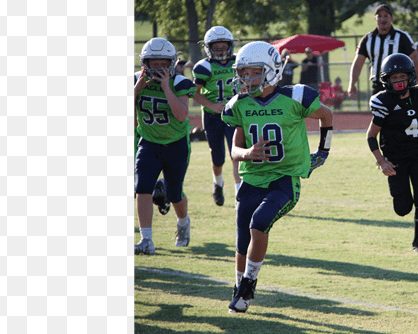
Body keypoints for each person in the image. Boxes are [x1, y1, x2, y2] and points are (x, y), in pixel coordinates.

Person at [222, 41, 334, 313]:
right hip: (252, 179)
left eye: (253, 73)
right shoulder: (240, 104)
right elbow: (234, 151)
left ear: (271, 71)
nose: (246, 79)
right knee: (241, 239)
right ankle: (240, 291)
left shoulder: (295, 97)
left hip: (284, 178)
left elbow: (326, 115)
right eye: (243, 73)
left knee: (259, 223)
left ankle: (249, 283)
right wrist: (247, 152)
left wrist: (323, 151)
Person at [366, 53, 418, 253]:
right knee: (402, 208)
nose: (399, 81)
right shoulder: (384, 102)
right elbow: (371, 136)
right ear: (387, 81)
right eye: (394, 78)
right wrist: (381, 161)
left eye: (402, 77)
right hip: (396, 160)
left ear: (410, 76)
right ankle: (416, 233)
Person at [133, 37, 196, 255]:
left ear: (171, 63)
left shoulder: (180, 83)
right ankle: (146, 239)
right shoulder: (135, 81)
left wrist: (166, 87)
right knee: (142, 187)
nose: (159, 68)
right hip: (149, 142)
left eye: (163, 64)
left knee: (174, 192)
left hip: (176, 144)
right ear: (145, 63)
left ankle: (182, 222)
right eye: (154, 64)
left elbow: (181, 115)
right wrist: (136, 89)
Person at [192, 26, 242, 207]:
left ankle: (239, 196)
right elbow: (193, 93)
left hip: (234, 115)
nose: (221, 51)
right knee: (218, 156)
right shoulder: (204, 67)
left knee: (236, 154)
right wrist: (211, 105)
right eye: (217, 48)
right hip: (213, 116)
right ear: (209, 48)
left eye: (224, 47)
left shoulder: (239, 62)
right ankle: (218, 182)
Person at [347, 4, 418, 99]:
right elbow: (358, 63)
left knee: (401, 113)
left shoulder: (402, 37)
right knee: (378, 112)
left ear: (391, 18)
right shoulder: (368, 39)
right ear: (375, 19)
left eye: (386, 16)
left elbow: (415, 62)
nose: (383, 19)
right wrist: (352, 84)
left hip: (399, 85)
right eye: (379, 16)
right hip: (378, 85)